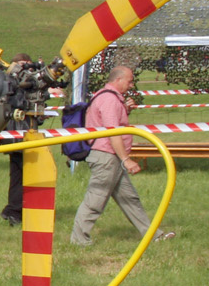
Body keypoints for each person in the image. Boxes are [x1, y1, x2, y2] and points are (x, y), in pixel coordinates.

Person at [71, 66, 173, 246]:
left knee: (130, 200)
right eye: (129, 81)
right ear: (118, 80)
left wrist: (125, 109)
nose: (131, 85)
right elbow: (113, 133)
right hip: (107, 158)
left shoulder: (110, 98)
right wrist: (126, 159)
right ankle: (79, 241)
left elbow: (112, 123)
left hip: (111, 157)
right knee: (96, 199)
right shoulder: (109, 100)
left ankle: (153, 235)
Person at [0, 54, 38, 225]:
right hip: (18, 135)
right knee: (27, 175)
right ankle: (18, 210)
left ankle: (13, 210)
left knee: (18, 175)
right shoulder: (12, 85)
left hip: (18, 135)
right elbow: (19, 103)